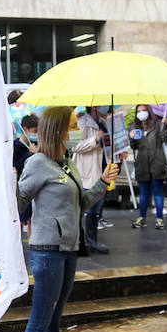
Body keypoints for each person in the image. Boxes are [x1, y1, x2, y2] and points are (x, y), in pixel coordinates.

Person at [16, 106, 118, 332]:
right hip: (46, 250)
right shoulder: (38, 163)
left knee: (55, 315)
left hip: (69, 248)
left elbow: (81, 204)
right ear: (56, 130)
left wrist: (102, 182)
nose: (73, 131)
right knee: (39, 318)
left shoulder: (66, 163)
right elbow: (17, 200)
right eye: (69, 127)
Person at [72, 106, 111, 252]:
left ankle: (92, 241)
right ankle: (80, 242)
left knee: (96, 209)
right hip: (87, 172)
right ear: (94, 106)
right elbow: (75, 146)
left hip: (101, 170)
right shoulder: (82, 122)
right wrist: (94, 140)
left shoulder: (103, 122)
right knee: (84, 207)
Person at [130, 104, 167, 229]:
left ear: (149, 111)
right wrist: (131, 138)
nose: (141, 113)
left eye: (144, 110)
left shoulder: (158, 125)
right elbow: (135, 146)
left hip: (157, 163)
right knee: (143, 193)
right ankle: (142, 218)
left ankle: (159, 219)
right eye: (139, 111)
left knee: (158, 193)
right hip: (142, 165)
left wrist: (165, 127)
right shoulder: (136, 127)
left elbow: (165, 139)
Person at [14, 114, 38, 234]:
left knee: (31, 221)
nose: (36, 134)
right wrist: (31, 155)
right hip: (22, 188)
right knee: (21, 218)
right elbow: (17, 167)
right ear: (25, 129)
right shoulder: (15, 146)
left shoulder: (36, 145)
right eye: (34, 131)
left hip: (35, 188)